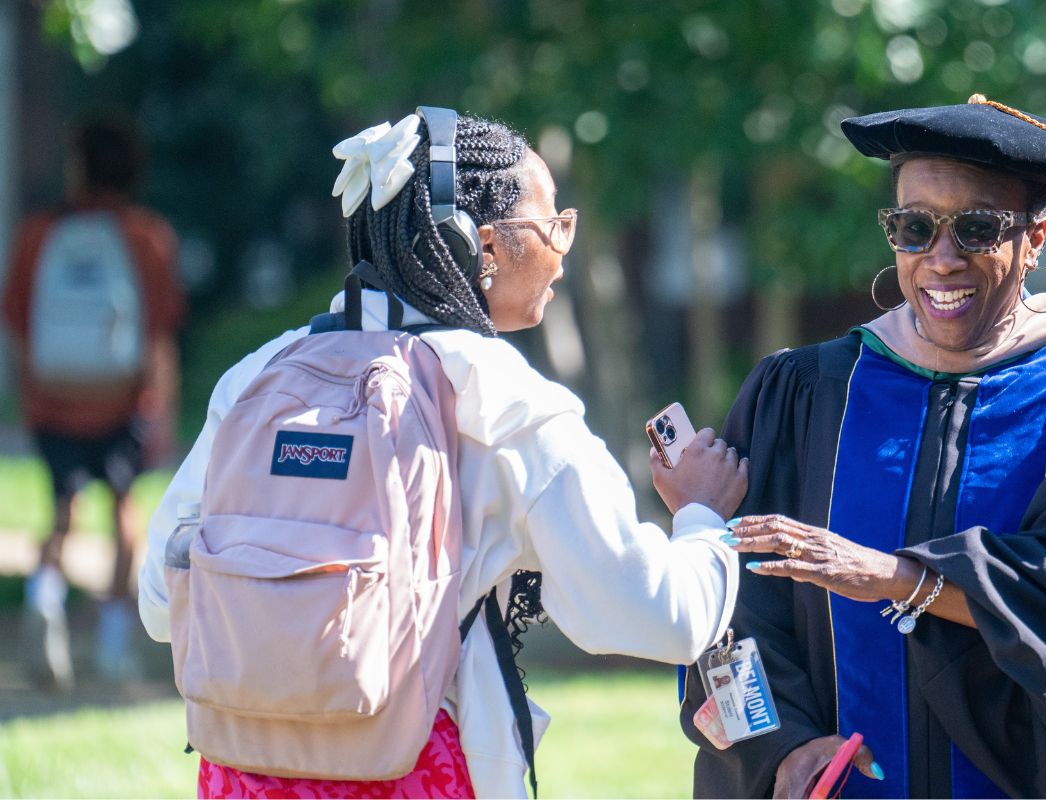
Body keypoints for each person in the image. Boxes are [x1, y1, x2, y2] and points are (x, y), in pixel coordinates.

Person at [139, 107, 746, 798]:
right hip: (412, 771)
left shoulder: (259, 378)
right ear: (481, 244)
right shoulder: (509, 407)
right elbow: (659, 617)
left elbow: (162, 600)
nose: (562, 247)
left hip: (240, 773)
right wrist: (700, 516)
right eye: (554, 225)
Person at [683, 95, 1046, 798]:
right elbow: (725, 617)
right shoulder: (804, 393)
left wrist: (905, 578)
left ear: (1035, 239)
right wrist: (778, 749)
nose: (941, 260)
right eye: (914, 227)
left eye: (976, 229)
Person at [3, 113, 185, 688]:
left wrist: (34, 390)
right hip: (121, 399)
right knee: (125, 515)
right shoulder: (147, 236)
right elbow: (159, 333)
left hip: (55, 398)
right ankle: (112, 648)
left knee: (61, 512)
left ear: (78, 168)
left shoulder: (38, 234)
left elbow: (17, 320)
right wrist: (162, 409)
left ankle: (46, 606)